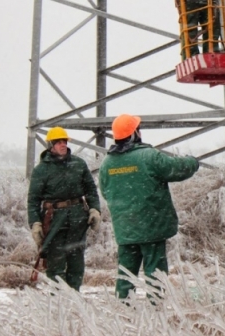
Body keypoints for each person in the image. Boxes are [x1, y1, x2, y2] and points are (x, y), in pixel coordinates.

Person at [99, 114, 200, 300]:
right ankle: (156, 311)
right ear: (134, 133)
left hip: (125, 229)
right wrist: (193, 162)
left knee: (125, 274)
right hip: (151, 227)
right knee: (155, 273)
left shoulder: (107, 163)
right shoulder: (148, 156)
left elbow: (106, 193)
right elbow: (176, 168)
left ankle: (124, 310)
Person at [27, 127, 101, 291]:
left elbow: (91, 190)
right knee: (56, 261)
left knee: (76, 261)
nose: (62, 145)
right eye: (59, 142)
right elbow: (33, 200)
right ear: (51, 145)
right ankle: (58, 300)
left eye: (64, 142)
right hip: (53, 219)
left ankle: (74, 296)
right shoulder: (41, 170)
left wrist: (95, 209)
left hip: (77, 217)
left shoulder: (78, 164)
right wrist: (35, 223)